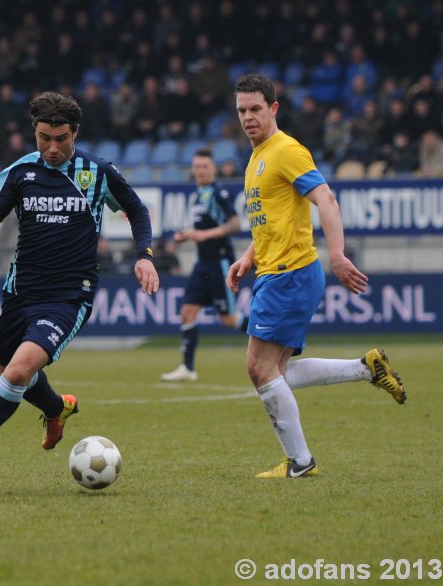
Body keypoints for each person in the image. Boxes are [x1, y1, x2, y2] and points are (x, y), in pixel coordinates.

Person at [0, 91, 159, 490]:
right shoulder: (20, 172)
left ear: (75, 133)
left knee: (16, 372)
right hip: (20, 293)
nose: (52, 148)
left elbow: (136, 209)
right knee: (13, 374)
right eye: (44, 138)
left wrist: (145, 255)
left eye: (61, 139)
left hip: (69, 296)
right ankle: (57, 408)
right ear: (34, 133)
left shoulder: (97, 172)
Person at [227, 74, 405, 479]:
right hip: (275, 272)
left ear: (274, 109)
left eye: (256, 109)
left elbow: (325, 198)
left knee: (259, 369)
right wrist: (248, 256)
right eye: (241, 110)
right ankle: (367, 367)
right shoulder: (256, 158)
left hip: (291, 274)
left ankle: (301, 463)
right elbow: (272, 219)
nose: (248, 117)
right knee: (278, 372)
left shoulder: (287, 150)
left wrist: (338, 255)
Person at [161, 149, 246, 382]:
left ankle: (272, 340)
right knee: (188, 311)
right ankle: (187, 368)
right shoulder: (198, 195)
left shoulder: (218, 192)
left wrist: (204, 234)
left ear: (213, 169)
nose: (199, 171)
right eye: (196, 167)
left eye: (204, 167)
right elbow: (200, 231)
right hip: (203, 264)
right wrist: (184, 238)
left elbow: (235, 224)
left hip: (220, 261)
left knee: (229, 319)